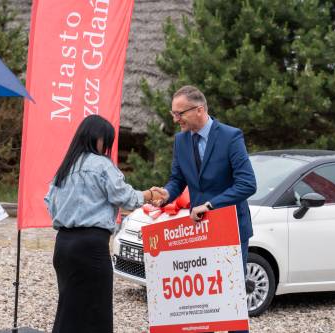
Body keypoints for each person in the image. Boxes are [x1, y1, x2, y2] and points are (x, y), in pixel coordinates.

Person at [152, 85, 256, 333]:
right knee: (199, 307)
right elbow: (178, 179)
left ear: (199, 110)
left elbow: (248, 184)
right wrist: (167, 194)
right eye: (173, 113)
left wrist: (211, 205)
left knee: (231, 304)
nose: (175, 119)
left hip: (230, 229)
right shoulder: (180, 140)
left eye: (180, 113)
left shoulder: (231, 137)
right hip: (199, 231)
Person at [44, 114, 160, 333]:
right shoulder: (101, 164)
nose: (106, 146)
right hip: (91, 245)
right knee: (96, 310)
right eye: (105, 140)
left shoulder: (66, 166)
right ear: (95, 137)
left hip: (63, 245)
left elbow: (49, 202)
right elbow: (124, 197)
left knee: (69, 307)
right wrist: (150, 194)